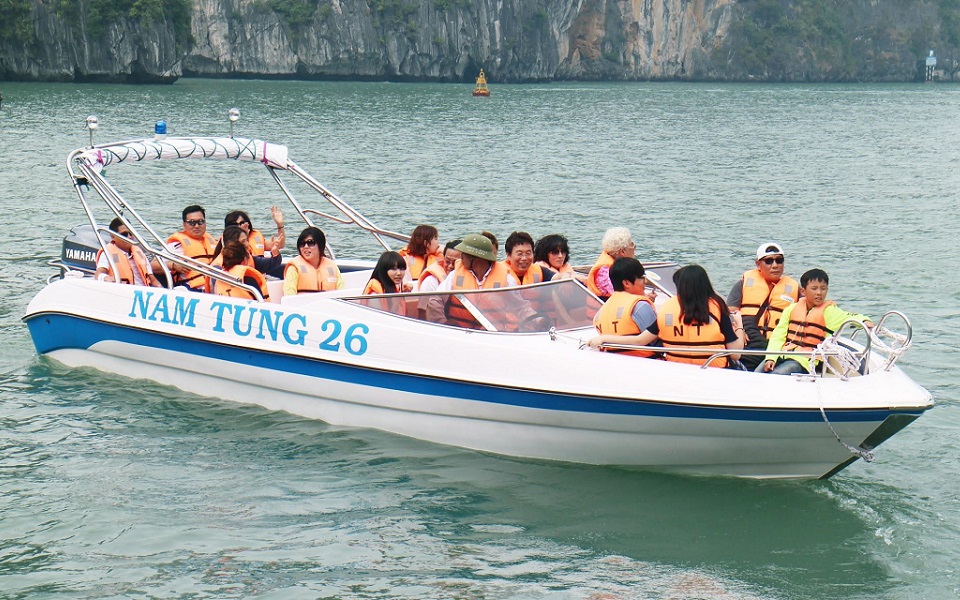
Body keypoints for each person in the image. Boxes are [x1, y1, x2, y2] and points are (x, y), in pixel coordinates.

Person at [589, 264, 743, 368]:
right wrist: (739, 325)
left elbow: (639, 340)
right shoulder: (717, 307)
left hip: (676, 370)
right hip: (714, 370)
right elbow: (735, 354)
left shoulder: (667, 309)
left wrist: (604, 338)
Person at [761, 268, 873, 375]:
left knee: (776, 375)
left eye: (823, 288)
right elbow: (778, 335)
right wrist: (771, 357)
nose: (819, 293)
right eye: (814, 288)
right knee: (758, 373)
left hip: (805, 361)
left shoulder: (830, 312)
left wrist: (865, 321)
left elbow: (850, 318)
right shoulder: (791, 309)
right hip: (783, 354)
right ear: (803, 291)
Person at [426, 233, 541, 330]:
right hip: (459, 333)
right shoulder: (454, 275)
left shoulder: (506, 279)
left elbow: (520, 307)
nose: (461, 258)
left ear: (474, 259)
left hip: (491, 334)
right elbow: (435, 301)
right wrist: (444, 325)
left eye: (464, 255)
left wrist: (538, 321)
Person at [726, 242, 800, 370]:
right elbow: (730, 312)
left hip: (776, 346)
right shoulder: (744, 284)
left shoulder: (794, 289)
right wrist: (739, 329)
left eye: (779, 260)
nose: (775, 265)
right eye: (769, 261)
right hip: (749, 342)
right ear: (758, 264)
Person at [591, 258, 657, 357]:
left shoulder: (599, 315)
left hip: (618, 365)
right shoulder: (640, 306)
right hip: (647, 363)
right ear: (626, 283)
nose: (645, 281)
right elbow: (659, 342)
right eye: (641, 277)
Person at [95, 217, 160, 287]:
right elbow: (99, 273)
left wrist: (161, 288)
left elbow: (152, 278)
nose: (129, 237)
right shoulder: (108, 253)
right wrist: (107, 278)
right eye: (124, 234)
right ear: (113, 236)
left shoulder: (139, 253)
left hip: (143, 293)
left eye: (131, 233)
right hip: (124, 293)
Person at [166, 205, 217, 291]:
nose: (197, 226)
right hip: (192, 289)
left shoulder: (214, 243)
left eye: (200, 222)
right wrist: (174, 265)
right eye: (192, 222)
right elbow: (153, 264)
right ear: (184, 224)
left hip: (215, 288)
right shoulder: (176, 245)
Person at [283, 227, 344, 295]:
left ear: (320, 245)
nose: (306, 246)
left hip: (329, 304)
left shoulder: (332, 267)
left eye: (310, 243)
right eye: (302, 244)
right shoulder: (294, 269)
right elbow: (289, 296)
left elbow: (341, 292)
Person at [211, 225, 282, 278]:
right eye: (243, 241)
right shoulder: (218, 267)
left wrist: (275, 252)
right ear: (231, 243)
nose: (247, 244)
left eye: (247, 240)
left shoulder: (248, 259)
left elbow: (273, 263)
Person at [416, 239, 461, 319]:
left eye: (455, 262)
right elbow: (422, 312)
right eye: (447, 261)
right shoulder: (431, 281)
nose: (451, 266)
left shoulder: (470, 277)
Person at [587, 227, 636, 300]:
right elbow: (617, 295)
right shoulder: (604, 270)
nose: (635, 247)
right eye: (631, 244)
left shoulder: (617, 265)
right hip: (602, 309)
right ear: (622, 251)